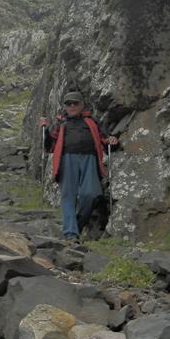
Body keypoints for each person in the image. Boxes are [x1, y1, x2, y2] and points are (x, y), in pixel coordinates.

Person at [38, 91, 119, 240]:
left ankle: (76, 225)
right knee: (68, 196)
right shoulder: (60, 122)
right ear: (65, 106)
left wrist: (112, 140)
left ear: (82, 104)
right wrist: (44, 130)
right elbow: (49, 146)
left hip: (90, 160)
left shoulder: (92, 121)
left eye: (75, 103)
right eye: (69, 104)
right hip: (66, 160)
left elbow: (105, 139)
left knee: (92, 194)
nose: (72, 106)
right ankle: (71, 233)